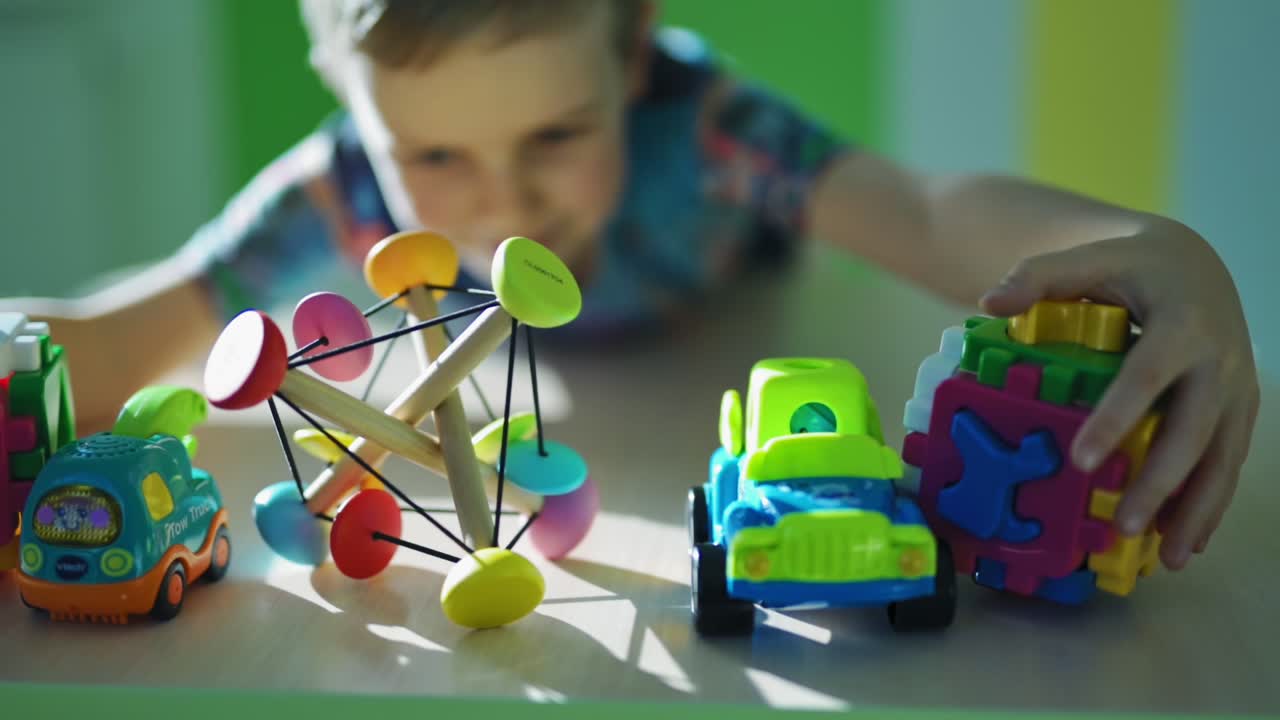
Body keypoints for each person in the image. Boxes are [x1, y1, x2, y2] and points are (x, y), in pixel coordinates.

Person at [1, 0, 1258, 572]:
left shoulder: (707, 129)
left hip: (748, 353)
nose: (504, 201)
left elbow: (926, 212)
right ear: (352, 109)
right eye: (432, 155)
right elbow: (124, 333)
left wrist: (1161, 244)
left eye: (554, 134)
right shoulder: (334, 186)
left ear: (634, 48)